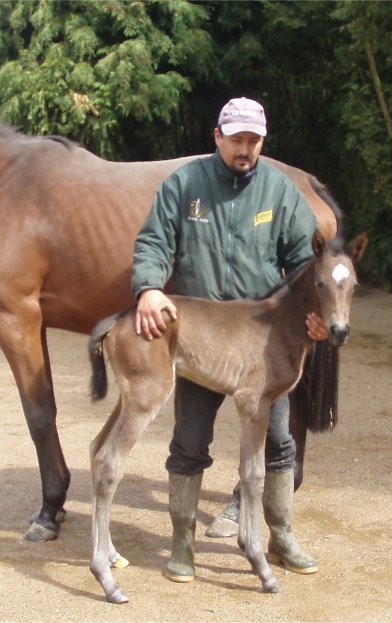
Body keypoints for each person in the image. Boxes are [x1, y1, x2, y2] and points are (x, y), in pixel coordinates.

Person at [132, 98, 327, 582]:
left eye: (254, 141)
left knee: (279, 442)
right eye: (237, 139)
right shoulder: (185, 184)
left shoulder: (279, 190)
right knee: (190, 442)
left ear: (263, 141)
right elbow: (154, 241)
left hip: (263, 343)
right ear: (216, 136)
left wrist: (317, 316)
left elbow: (307, 264)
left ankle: (280, 535)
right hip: (199, 337)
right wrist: (149, 287)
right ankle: (182, 542)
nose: (245, 149)